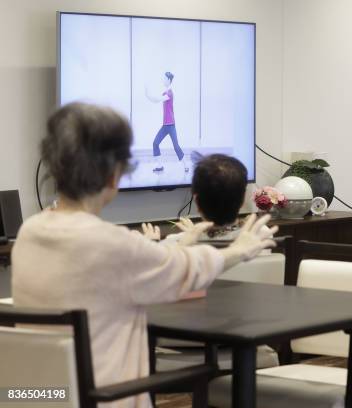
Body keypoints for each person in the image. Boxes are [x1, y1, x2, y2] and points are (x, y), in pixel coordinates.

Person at [11, 102, 277, 408]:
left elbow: (146, 263)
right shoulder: (110, 244)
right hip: (103, 400)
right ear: (114, 175)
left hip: (35, 398)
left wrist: (181, 242)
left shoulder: (30, 233)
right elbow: (185, 271)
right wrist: (239, 250)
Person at [142, 153, 271, 244]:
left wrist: (152, 243)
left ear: (197, 202)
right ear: (242, 200)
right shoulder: (261, 234)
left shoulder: (176, 242)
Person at [146, 71, 188, 173]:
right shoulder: (165, 92)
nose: (163, 80)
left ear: (169, 80)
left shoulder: (169, 93)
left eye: (165, 79)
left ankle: (185, 165)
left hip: (171, 125)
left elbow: (157, 99)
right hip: (165, 126)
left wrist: (148, 94)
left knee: (176, 146)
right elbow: (157, 100)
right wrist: (148, 96)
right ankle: (160, 166)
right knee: (155, 143)